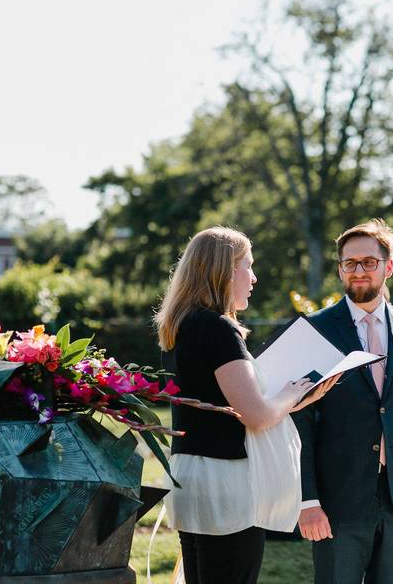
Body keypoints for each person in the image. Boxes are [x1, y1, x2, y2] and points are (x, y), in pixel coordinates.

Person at [154, 226, 337, 584]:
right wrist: (293, 391)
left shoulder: (181, 327)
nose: (253, 278)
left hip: (190, 473)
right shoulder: (219, 329)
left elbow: (225, 405)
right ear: (223, 270)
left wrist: (290, 402)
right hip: (227, 484)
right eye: (248, 266)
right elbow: (253, 414)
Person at [291, 219, 393, 584]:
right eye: (349, 263)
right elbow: (299, 421)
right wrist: (307, 500)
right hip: (337, 500)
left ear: (388, 267)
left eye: (368, 262)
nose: (358, 271)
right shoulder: (314, 329)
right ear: (340, 268)